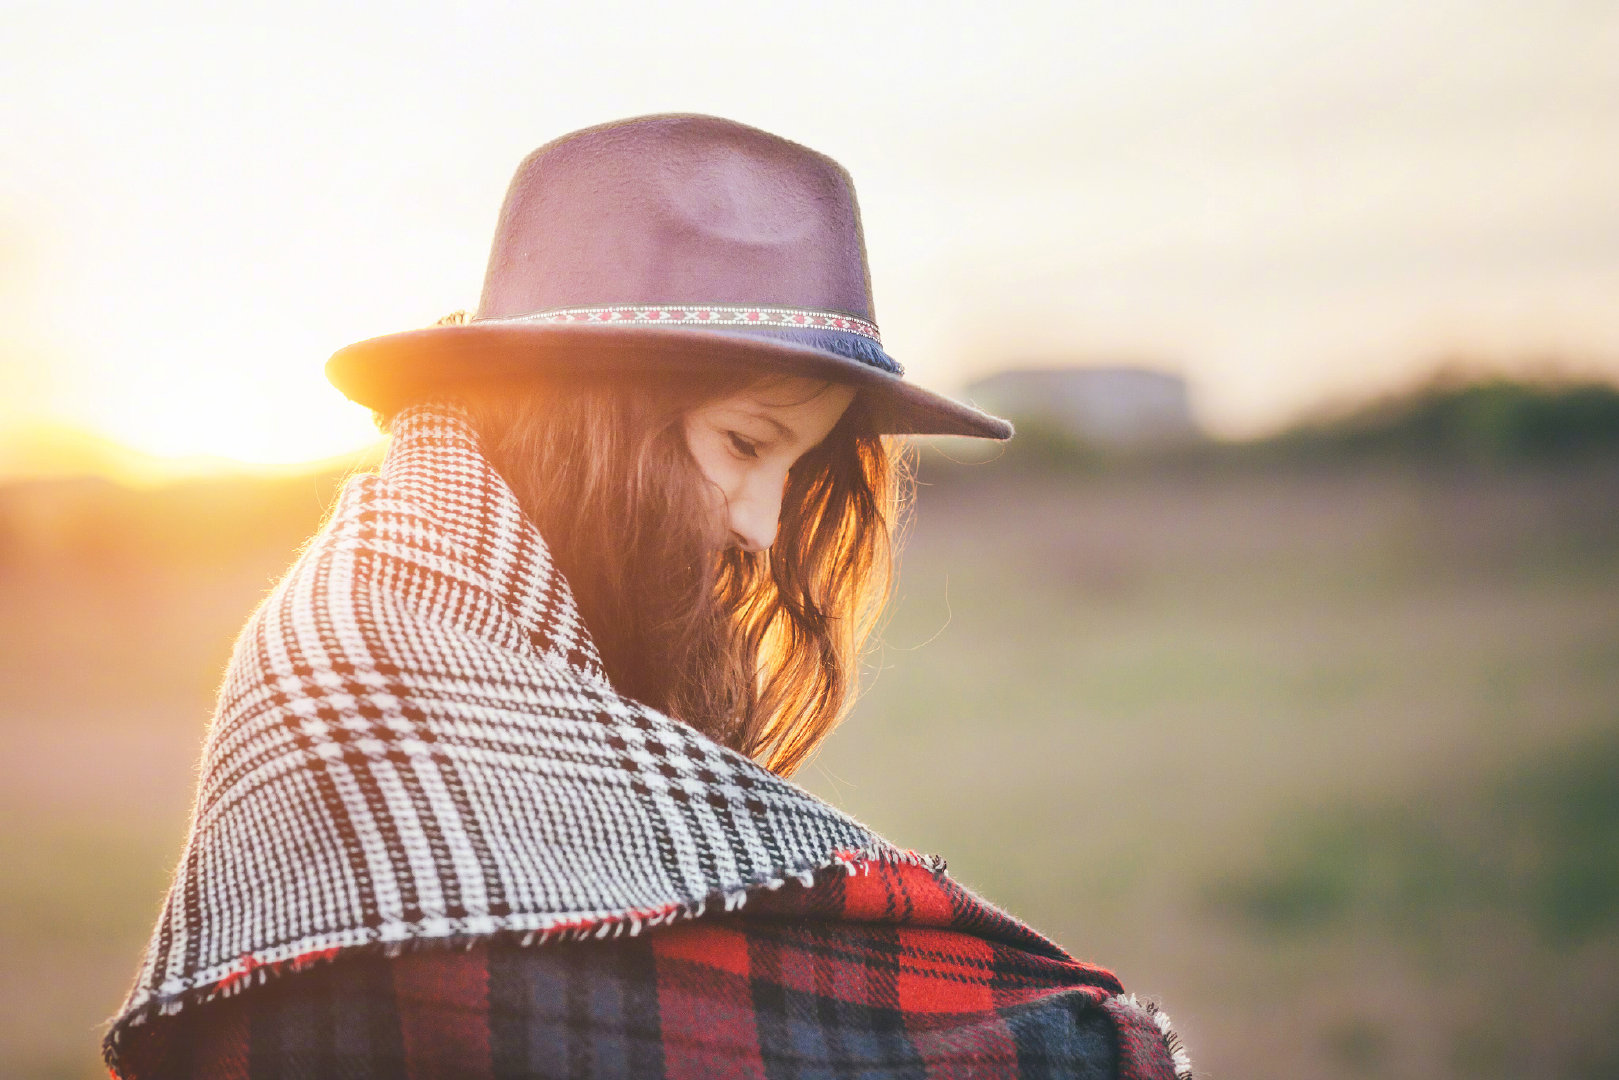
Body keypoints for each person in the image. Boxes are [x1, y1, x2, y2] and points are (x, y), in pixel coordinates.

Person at [103, 115, 1191, 1079]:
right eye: (741, 442)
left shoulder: (429, 595)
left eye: (795, 469)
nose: (762, 529)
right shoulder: (365, 658)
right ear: (592, 417)